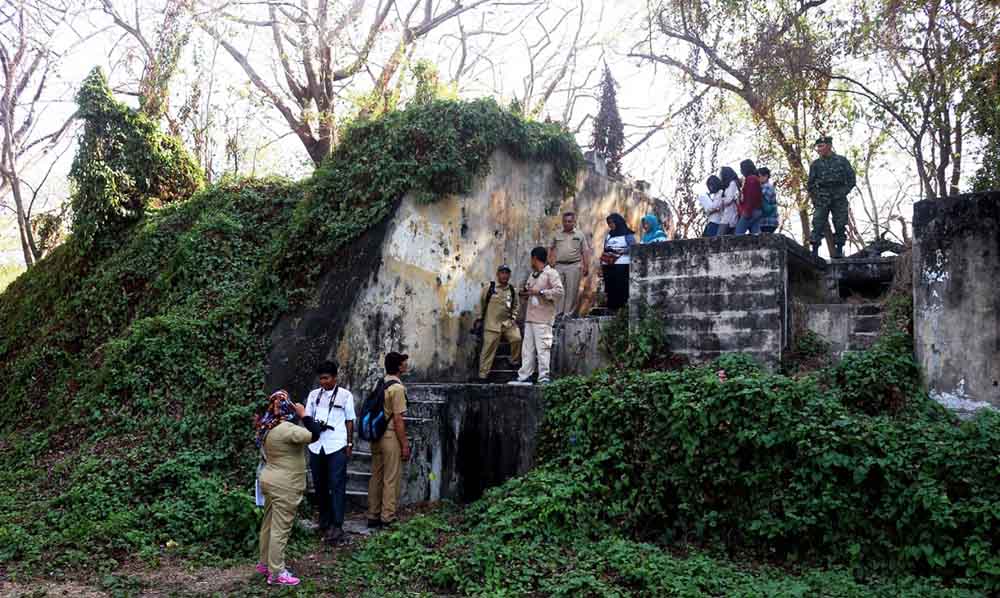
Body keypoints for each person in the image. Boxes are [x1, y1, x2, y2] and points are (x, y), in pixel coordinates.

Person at [255, 390, 322, 587]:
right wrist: (305, 415)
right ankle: (277, 573)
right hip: (285, 484)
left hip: (268, 479)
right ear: (288, 408)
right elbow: (315, 434)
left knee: (268, 523)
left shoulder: (266, 427)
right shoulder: (288, 430)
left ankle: (264, 563)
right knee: (280, 529)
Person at [304, 360, 355, 544]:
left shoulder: (345, 395)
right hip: (316, 445)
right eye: (321, 379)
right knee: (320, 485)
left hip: (336, 444)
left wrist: (349, 443)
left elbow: (350, 420)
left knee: (337, 484)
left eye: (326, 378)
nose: (323, 382)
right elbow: (307, 417)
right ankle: (324, 521)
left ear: (335, 377)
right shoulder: (313, 395)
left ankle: (337, 524)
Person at [367, 352, 411, 528]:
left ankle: (373, 515)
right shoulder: (398, 388)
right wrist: (404, 444)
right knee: (391, 477)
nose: (406, 365)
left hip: (376, 434)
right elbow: (399, 420)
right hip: (390, 434)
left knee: (376, 475)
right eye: (404, 363)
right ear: (399, 367)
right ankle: (388, 517)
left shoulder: (381, 383)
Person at [508, 247, 563, 386]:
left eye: (531, 258)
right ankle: (524, 375)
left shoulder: (551, 273)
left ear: (535, 258)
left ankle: (544, 377)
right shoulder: (533, 275)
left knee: (543, 349)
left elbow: (559, 292)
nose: (531, 261)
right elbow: (530, 291)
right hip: (530, 317)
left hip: (543, 319)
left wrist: (542, 291)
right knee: (527, 349)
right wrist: (525, 293)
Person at [807, 136, 856, 258]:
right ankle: (814, 251)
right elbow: (810, 184)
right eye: (817, 147)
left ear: (829, 146)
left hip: (838, 196)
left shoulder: (842, 161)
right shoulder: (815, 165)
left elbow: (851, 180)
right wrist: (817, 197)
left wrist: (843, 192)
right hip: (822, 197)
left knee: (840, 223)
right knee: (817, 222)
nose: (818, 149)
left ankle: (839, 250)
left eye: (821, 146)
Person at [475, 265, 522, 382]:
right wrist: (479, 318)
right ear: (498, 274)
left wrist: (513, 318)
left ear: (509, 275)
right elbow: (481, 303)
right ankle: (483, 375)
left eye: (507, 273)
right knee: (487, 351)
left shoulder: (512, 290)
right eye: (502, 273)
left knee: (517, 338)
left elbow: (516, 306)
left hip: (507, 324)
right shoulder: (489, 288)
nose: (504, 275)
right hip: (491, 325)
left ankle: (514, 361)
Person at [548, 212, 591, 318]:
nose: (567, 223)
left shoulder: (580, 235)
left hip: (574, 266)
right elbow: (550, 247)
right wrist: (550, 260)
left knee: (571, 291)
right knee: (558, 290)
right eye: (565, 221)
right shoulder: (557, 234)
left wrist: (586, 266)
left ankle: (568, 315)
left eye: (569, 221)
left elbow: (585, 251)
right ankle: (558, 314)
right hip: (558, 266)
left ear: (574, 222)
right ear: (562, 222)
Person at [599, 213, 636, 312]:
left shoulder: (627, 234)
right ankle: (611, 308)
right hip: (609, 265)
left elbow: (633, 248)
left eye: (612, 222)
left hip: (622, 265)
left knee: (621, 287)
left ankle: (621, 309)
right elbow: (605, 248)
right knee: (610, 288)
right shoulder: (609, 235)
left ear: (618, 222)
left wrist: (621, 250)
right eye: (609, 223)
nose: (610, 225)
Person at [734, 159, 763, 235]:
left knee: (738, 233)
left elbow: (751, 197)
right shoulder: (755, 178)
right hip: (757, 209)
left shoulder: (751, 179)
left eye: (741, 168)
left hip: (751, 210)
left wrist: (747, 211)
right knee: (755, 233)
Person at [718, 167, 741, 235]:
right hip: (727, 216)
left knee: (719, 237)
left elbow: (729, 199)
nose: (720, 176)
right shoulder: (728, 185)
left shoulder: (732, 183)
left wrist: (721, 201)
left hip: (730, 216)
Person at [759, 167, 779, 234]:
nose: (758, 179)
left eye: (759, 176)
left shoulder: (767, 187)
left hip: (767, 221)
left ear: (766, 176)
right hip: (768, 221)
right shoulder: (767, 186)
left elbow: (761, 200)